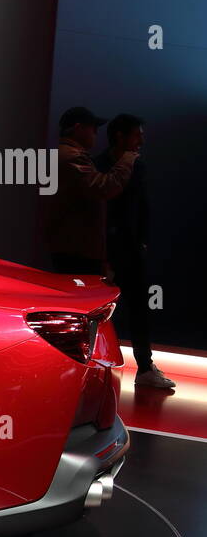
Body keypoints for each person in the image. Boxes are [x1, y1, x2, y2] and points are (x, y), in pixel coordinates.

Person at [96, 114, 174, 389]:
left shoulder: (134, 165)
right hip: (104, 251)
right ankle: (94, 368)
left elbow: (141, 206)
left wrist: (141, 240)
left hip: (129, 249)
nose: (141, 140)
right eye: (136, 134)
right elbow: (106, 207)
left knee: (139, 307)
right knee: (98, 311)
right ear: (120, 136)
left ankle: (144, 367)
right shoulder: (100, 165)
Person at [45, 105, 137, 274]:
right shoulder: (72, 157)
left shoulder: (61, 154)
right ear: (78, 128)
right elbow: (104, 188)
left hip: (70, 247)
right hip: (77, 251)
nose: (96, 133)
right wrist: (128, 158)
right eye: (94, 128)